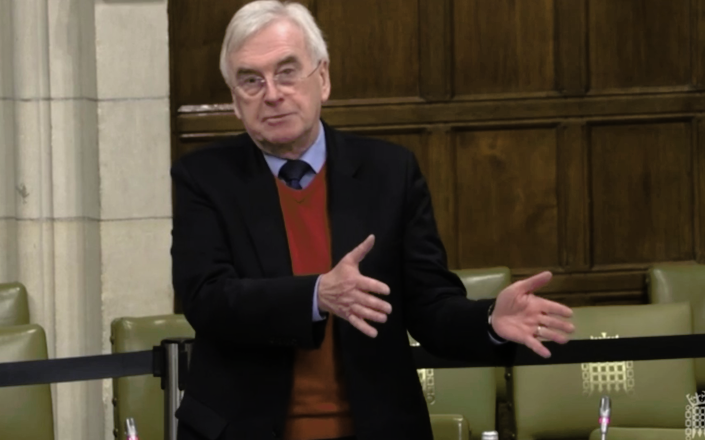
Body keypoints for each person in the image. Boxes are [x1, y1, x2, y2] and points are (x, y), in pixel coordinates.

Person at [170, 1, 575, 439]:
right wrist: (317, 294)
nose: (271, 93)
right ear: (234, 100)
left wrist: (490, 320)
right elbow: (207, 299)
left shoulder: (390, 172)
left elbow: (429, 304)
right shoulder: (204, 177)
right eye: (251, 81)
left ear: (321, 78)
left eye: (287, 72)